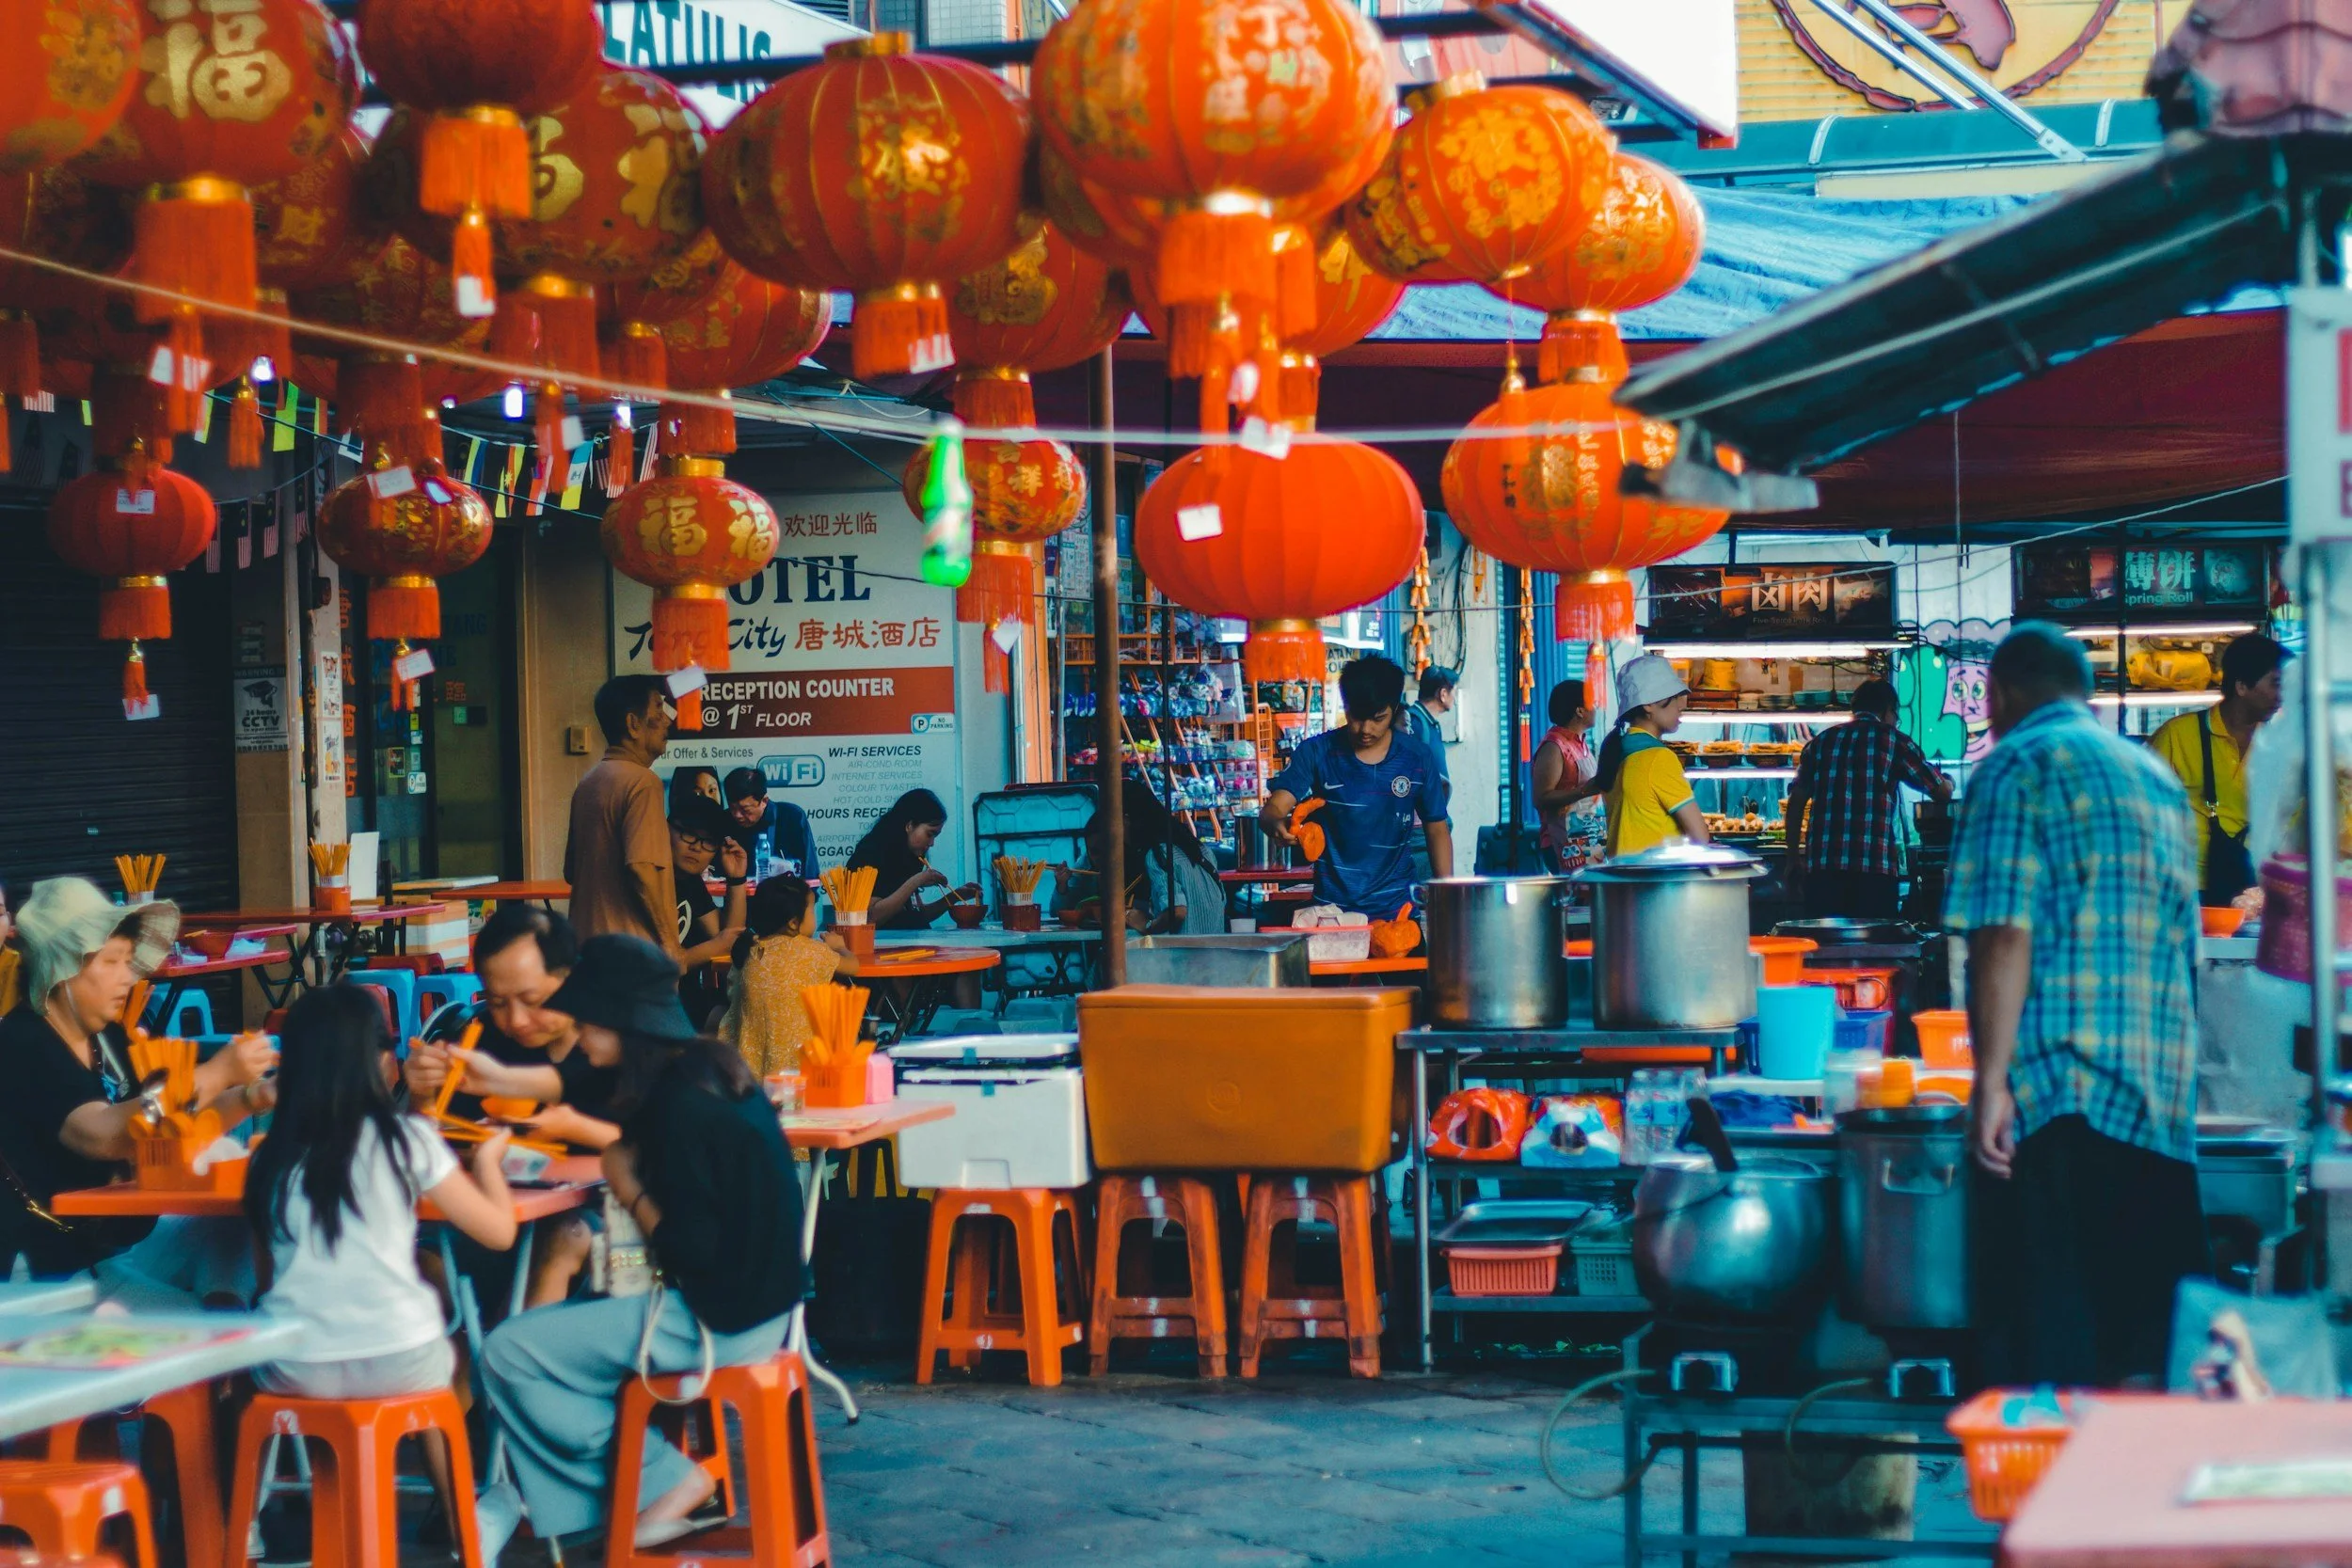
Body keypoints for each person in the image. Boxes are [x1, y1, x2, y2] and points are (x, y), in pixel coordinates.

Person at [473, 936, 805, 1561]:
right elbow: (579, 1081)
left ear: (622, 1024)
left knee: (507, 1352)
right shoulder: (714, 1069)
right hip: (772, 1312)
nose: (583, 1037)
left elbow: (691, 1251)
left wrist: (629, 1187)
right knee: (544, 1355)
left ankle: (665, 1482)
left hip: (717, 1320)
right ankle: (637, 1504)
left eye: (590, 1022)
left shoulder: (678, 1106)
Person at [1947, 624, 2204, 1386]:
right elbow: (2181, 944)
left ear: (1995, 695)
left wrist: (1989, 1083)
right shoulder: (2155, 777)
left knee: (2050, 1363)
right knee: (2144, 1367)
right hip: (2157, 1102)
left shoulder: (2016, 764)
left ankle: (2045, 1501)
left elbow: (2003, 931)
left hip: (2062, 1099)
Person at [0, 878, 276, 1302]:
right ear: (63, 968)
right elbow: (106, 1134)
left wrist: (247, 1097)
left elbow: (166, 1126)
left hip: (116, 1247)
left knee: (232, 1230)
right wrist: (215, 1075)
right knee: (194, 1327)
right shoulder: (22, 1042)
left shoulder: (106, 1037)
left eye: (128, 962)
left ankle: (228, 1322)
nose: (127, 978)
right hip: (52, 1273)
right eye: (110, 962)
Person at [246, 984, 516, 1398]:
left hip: (296, 1368)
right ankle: (446, 1462)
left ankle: (298, 1461)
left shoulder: (266, 1158)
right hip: (401, 1359)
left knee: (252, 1377)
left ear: (289, 1069)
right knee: (456, 1345)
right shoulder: (408, 1140)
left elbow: (267, 1282)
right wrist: (486, 1163)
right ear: (384, 1063)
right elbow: (500, 1232)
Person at [407, 908, 620, 1310]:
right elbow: (434, 1148)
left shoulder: (614, 1042)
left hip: (598, 1219)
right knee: (421, 1258)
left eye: (531, 1000)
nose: (516, 1020)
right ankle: (463, 1365)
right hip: (496, 1219)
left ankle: (510, 1360)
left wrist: (573, 1128)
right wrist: (422, 1096)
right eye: (498, 1002)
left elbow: (659, 1146)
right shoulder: (480, 1037)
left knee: (561, 1237)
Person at [1263, 655, 1453, 918]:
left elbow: (1437, 831)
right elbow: (1273, 809)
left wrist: (1447, 897)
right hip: (1331, 914)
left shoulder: (1417, 758)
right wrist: (1276, 824)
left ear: (1395, 708)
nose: (1365, 729)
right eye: (1356, 716)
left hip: (1398, 913)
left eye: (1377, 718)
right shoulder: (1316, 752)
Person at [1783, 677, 1951, 919]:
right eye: (1896, 715)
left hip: (1822, 871)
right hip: (1874, 872)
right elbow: (1941, 793)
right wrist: (1949, 782)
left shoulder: (1820, 743)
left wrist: (1792, 859)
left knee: (1826, 951)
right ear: (1887, 711)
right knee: (1874, 948)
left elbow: (1796, 802)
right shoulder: (1895, 741)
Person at [2148, 633, 2289, 907]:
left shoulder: (2277, 747)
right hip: (2184, 887)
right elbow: (2141, 810)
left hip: (2251, 891)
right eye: (2276, 684)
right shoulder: (2177, 736)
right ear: (2242, 687)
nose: (2281, 696)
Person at [565, 674, 677, 956]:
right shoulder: (643, 782)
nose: (667, 720)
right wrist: (669, 943)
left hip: (585, 949)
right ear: (633, 725)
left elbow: (570, 872)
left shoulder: (588, 783)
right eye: (658, 710)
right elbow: (640, 867)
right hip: (631, 955)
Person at [721, 879, 850, 1079]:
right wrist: (839, 946)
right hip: (800, 1067)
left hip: (748, 1069)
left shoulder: (749, 948)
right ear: (793, 923)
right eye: (811, 909)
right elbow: (854, 967)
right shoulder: (812, 951)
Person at [1597, 655, 1708, 858]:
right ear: (1649, 705)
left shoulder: (1616, 751)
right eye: (1674, 697)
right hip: (1655, 881)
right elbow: (1701, 837)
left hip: (1624, 878)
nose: (1681, 706)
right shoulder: (1658, 758)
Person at [1075, 788, 1228, 935]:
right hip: (1215, 956)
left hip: (1182, 958)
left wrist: (1147, 925)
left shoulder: (1158, 855)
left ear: (1126, 820)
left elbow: (1177, 911)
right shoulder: (1203, 851)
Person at [848, 789, 979, 930]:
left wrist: (954, 897)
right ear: (909, 825)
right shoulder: (870, 855)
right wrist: (917, 880)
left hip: (911, 942)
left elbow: (915, 915)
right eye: (930, 834)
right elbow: (870, 919)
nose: (932, 843)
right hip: (884, 947)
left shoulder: (909, 856)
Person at [669, 797, 748, 1030]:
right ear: (666, 829)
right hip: (652, 1005)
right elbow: (658, 964)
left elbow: (727, 934)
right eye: (688, 835)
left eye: (708, 842)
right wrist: (717, 946)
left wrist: (736, 878)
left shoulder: (690, 881)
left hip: (686, 1001)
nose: (696, 847)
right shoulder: (652, 879)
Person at [1532, 680, 1605, 877]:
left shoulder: (1581, 743)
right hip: (1563, 842)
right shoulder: (1554, 746)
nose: (1596, 707)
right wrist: (1584, 791)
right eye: (1592, 703)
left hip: (1588, 837)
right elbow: (1541, 797)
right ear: (1580, 711)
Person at [724, 768, 819, 883]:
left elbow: (810, 873)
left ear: (764, 801)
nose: (737, 815)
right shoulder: (725, 820)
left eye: (745, 810)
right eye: (732, 808)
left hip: (786, 897)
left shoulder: (792, 816)